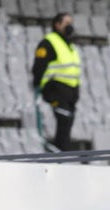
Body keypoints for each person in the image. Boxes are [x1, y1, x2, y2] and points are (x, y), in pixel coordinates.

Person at [31, 12, 81, 151]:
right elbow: (39, 66)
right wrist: (38, 87)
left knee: (68, 122)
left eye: (71, 22)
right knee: (63, 120)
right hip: (55, 88)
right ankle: (60, 154)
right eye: (66, 22)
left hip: (70, 91)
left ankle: (61, 153)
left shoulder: (70, 45)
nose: (70, 26)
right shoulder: (49, 42)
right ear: (57, 24)